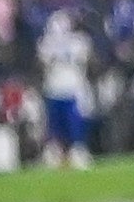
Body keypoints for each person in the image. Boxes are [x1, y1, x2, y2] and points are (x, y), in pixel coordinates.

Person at [35, 13, 92, 170]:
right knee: (57, 128)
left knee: (72, 126)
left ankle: (75, 154)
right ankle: (59, 155)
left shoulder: (77, 42)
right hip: (57, 89)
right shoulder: (47, 44)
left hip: (69, 89)